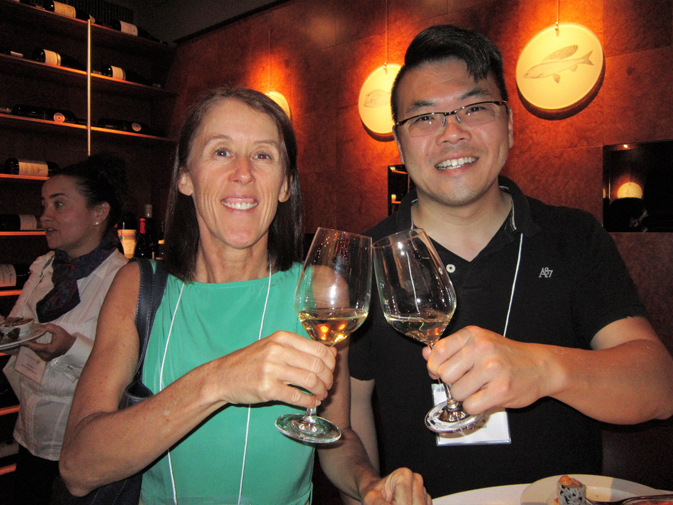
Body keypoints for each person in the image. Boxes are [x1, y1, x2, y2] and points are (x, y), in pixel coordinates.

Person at [59, 88, 430, 505]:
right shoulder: (137, 287)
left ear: (286, 185)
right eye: (221, 152)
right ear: (185, 176)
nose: (243, 173)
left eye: (264, 155)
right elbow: (77, 467)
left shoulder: (321, 290)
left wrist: (368, 484)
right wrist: (219, 381)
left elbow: (336, 436)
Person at [348, 24, 673, 499]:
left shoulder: (572, 237)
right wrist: (369, 488)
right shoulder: (366, 258)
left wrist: (544, 369)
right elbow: (348, 417)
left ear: (510, 125)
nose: (452, 132)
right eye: (425, 118)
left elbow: (659, 385)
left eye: (474, 108)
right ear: (399, 144)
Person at [2, 153, 129, 505]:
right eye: (44, 205)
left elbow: (129, 369)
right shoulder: (44, 266)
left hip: (78, 450)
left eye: (59, 204)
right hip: (28, 437)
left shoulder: (125, 278)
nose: (45, 216)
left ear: (99, 214)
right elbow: (17, 326)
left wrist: (68, 347)